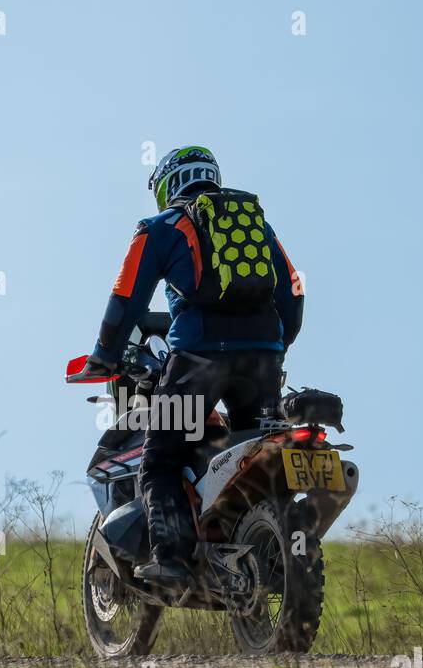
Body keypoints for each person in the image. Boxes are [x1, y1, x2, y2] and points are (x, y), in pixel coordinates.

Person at [86, 145, 305, 583]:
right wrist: (275, 347)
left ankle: (171, 560)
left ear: (169, 184)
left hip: (197, 365)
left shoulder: (162, 227)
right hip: (262, 362)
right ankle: (256, 548)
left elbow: (126, 297)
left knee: (161, 459)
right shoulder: (258, 226)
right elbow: (293, 295)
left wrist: (104, 356)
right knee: (252, 450)